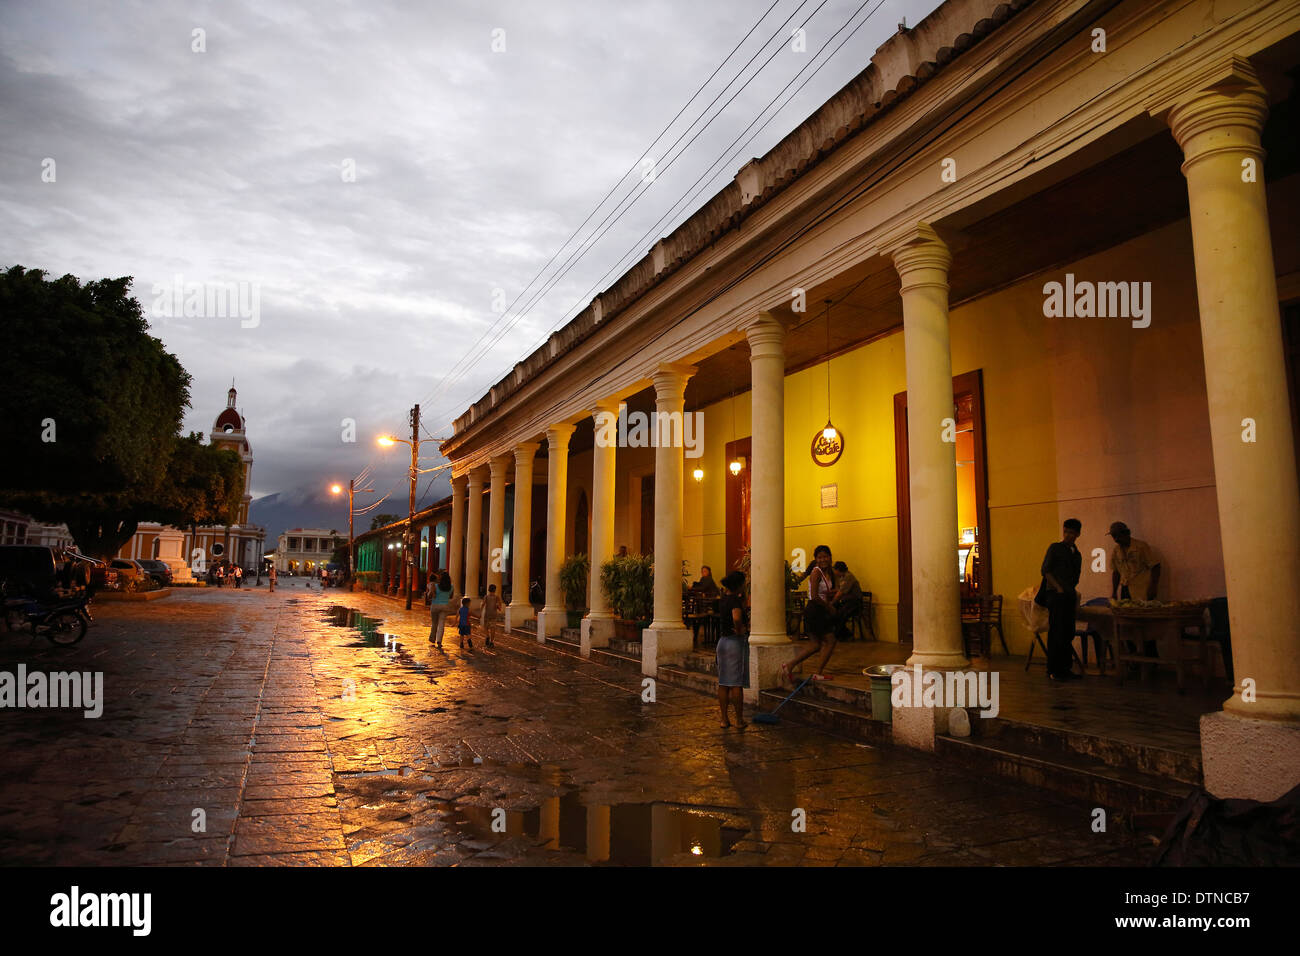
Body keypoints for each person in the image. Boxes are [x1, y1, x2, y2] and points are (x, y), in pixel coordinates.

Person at [783, 545, 838, 683]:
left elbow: (821, 592)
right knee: (830, 641)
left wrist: (832, 594)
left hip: (818, 610)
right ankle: (816, 672)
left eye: (825, 556)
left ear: (830, 557)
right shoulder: (816, 572)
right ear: (815, 559)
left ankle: (789, 665)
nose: (823, 559)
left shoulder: (828, 573)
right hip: (815, 611)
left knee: (816, 644)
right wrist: (829, 607)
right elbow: (813, 596)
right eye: (819, 557)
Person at [1038, 518, 1083, 682]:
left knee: (1068, 631)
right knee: (1057, 631)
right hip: (1056, 595)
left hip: (1068, 594)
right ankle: (1054, 669)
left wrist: (1068, 589)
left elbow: (1076, 576)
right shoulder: (1055, 548)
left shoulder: (1076, 554)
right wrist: (1058, 588)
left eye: (1072, 533)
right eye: (1066, 532)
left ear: (1078, 534)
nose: (1068, 536)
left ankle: (1065, 668)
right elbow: (1046, 570)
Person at [715, 570, 749, 729]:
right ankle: (739, 719)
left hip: (722, 642)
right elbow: (736, 617)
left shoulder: (724, 599)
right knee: (736, 683)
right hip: (734, 643)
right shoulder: (735, 600)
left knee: (723, 682)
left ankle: (724, 719)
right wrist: (740, 628)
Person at [1108, 522, 1162, 601]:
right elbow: (1116, 572)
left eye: (1118, 535)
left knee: (1141, 611)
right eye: (1114, 536)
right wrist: (1114, 592)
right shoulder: (1116, 551)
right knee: (1126, 610)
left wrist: (1153, 587)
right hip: (1125, 589)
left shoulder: (1141, 547)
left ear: (1126, 534)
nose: (1116, 539)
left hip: (1142, 590)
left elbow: (1156, 566)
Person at [831, 561, 863, 640]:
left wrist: (831, 603)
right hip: (848, 602)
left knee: (839, 614)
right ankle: (844, 634)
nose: (834, 572)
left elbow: (840, 593)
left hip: (855, 603)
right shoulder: (842, 577)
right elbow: (839, 589)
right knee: (833, 612)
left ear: (838, 570)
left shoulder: (848, 577)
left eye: (835, 570)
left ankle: (841, 635)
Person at [428, 571, 453, 647]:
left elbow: (430, 596)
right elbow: (451, 597)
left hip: (435, 605)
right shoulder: (451, 587)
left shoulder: (435, 586)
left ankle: (432, 638)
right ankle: (439, 641)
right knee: (441, 624)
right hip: (445, 606)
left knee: (434, 623)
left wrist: (431, 591)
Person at [480, 583, 503, 647]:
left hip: (487, 614)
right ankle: (492, 642)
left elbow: (483, 604)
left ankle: (487, 636)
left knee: (486, 627)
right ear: (495, 590)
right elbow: (500, 608)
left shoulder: (486, 597)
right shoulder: (497, 597)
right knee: (493, 629)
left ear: (488, 589)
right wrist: (497, 606)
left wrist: (480, 612)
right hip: (494, 615)